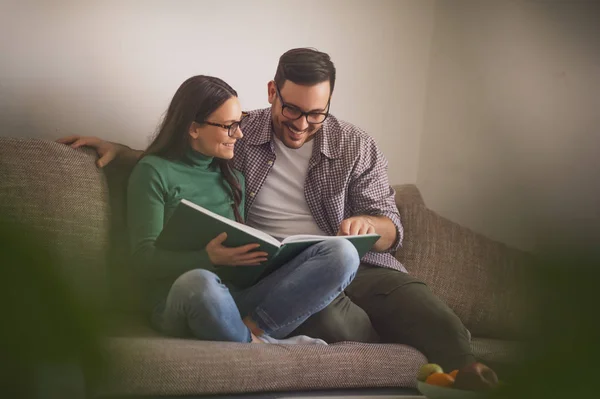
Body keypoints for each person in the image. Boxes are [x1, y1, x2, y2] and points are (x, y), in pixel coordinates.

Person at [58, 48, 493, 376]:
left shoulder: (354, 145)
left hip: (352, 260)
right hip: (276, 272)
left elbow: (392, 228)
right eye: (292, 110)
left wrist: (370, 225)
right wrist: (123, 153)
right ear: (272, 93)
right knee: (327, 317)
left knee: (416, 303)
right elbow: (184, 154)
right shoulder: (240, 133)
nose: (302, 124)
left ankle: (467, 369)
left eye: (316, 114)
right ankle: (276, 335)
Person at [107, 74, 360, 345]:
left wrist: (265, 259)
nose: (239, 134)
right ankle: (267, 347)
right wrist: (209, 258)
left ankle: (252, 333)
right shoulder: (153, 172)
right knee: (199, 282)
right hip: (182, 299)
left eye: (240, 123)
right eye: (229, 126)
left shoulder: (232, 177)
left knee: (342, 253)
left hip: (234, 298)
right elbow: (142, 260)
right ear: (193, 128)